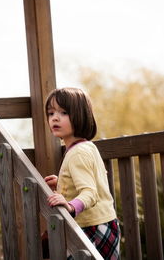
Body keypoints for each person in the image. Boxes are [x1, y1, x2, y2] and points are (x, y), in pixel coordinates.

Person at [44, 87, 120, 259]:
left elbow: (90, 192)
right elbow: (94, 180)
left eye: (63, 112)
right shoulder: (87, 147)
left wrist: (70, 206)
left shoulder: (77, 153)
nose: (55, 118)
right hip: (106, 223)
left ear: (80, 115)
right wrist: (63, 183)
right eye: (51, 113)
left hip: (91, 228)